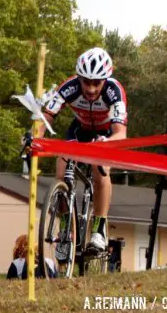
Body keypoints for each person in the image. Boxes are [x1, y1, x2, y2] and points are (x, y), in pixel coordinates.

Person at [35, 47, 128, 257]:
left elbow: (120, 133)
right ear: (79, 78)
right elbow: (46, 117)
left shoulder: (115, 91)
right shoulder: (69, 87)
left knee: (99, 169)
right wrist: (35, 137)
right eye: (86, 81)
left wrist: (107, 143)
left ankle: (99, 229)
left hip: (105, 134)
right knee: (61, 172)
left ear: (105, 79)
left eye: (97, 82)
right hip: (79, 130)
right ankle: (66, 231)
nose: (91, 88)